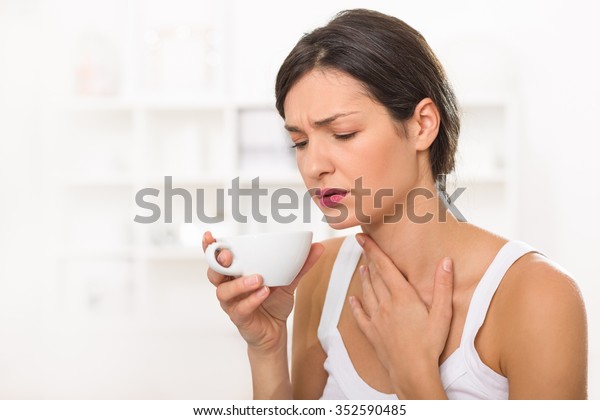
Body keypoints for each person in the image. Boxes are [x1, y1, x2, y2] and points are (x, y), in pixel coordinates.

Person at [202, 9, 587, 399]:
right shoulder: (323, 275)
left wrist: (415, 374)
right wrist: (265, 349)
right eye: (299, 143)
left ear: (422, 125)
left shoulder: (537, 296)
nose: (314, 166)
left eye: (343, 133)